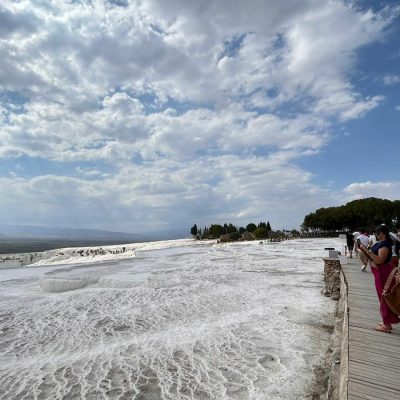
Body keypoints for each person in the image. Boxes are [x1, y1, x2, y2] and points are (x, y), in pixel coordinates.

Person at [359, 225, 399, 333]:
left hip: (383, 273)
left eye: (378, 233)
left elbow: (380, 260)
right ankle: (387, 321)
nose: (376, 235)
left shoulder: (385, 245)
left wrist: (368, 251)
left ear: (383, 233)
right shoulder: (380, 244)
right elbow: (370, 257)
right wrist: (363, 249)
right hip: (379, 273)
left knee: (383, 297)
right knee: (382, 296)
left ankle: (387, 325)